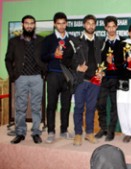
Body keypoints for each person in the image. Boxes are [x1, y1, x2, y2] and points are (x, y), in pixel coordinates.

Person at [5, 15, 46, 144]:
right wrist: (13, 75)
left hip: (36, 78)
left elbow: (46, 58)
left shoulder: (41, 40)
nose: (29, 25)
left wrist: (44, 72)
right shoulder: (14, 41)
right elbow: (8, 59)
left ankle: (36, 133)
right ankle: (20, 133)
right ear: (23, 25)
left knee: (36, 107)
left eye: (31, 23)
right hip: (20, 78)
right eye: (27, 23)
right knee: (20, 107)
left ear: (34, 25)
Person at [41, 12, 76, 143]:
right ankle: (51, 131)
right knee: (51, 105)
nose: (61, 26)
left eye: (63, 23)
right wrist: (52, 55)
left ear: (66, 24)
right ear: (55, 24)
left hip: (67, 75)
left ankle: (64, 130)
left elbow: (75, 58)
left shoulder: (72, 39)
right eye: (58, 23)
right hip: (53, 75)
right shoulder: (48, 39)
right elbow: (42, 57)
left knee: (66, 105)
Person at [72, 15, 104, 146]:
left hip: (95, 81)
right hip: (81, 81)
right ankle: (78, 134)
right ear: (84, 25)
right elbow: (68, 59)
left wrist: (102, 71)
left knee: (91, 108)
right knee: (79, 108)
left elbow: (103, 60)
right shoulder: (76, 41)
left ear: (95, 26)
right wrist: (77, 67)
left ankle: (89, 133)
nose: (90, 26)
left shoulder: (100, 41)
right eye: (88, 23)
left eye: (93, 24)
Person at [95, 16, 124, 141]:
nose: (111, 29)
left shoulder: (123, 42)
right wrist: (104, 67)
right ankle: (103, 128)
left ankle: (111, 130)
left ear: (116, 27)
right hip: (104, 78)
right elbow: (99, 60)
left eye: (113, 26)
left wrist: (114, 62)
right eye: (109, 27)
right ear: (105, 28)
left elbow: (126, 62)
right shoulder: (101, 42)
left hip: (117, 78)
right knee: (100, 104)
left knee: (114, 105)